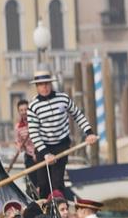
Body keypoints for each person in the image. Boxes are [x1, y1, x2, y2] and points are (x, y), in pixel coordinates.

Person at [27, 70, 97, 199]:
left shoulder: (63, 99)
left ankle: (60, 206)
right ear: (37, 86)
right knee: (43, 183)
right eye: (41, 84)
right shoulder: (33, 106)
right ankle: (45, 209)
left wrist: (89, 132)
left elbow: (77, 115)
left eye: (47, 84)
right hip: (43, 147)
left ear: (51, 84)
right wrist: (46, 154)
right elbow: (33, 132)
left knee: (57, 182)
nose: (44, 87)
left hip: (61, 145)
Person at [14, 99, 40, 194]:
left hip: (40, 153)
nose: (24, 112)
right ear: (19, 112)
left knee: (42, 180)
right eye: (21, 110)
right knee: (32, 181)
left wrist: (36, 152)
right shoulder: (18, 127)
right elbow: (18, 141)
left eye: (26, 109)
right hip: (29, 155)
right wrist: (19, 147)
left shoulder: (36, 121)